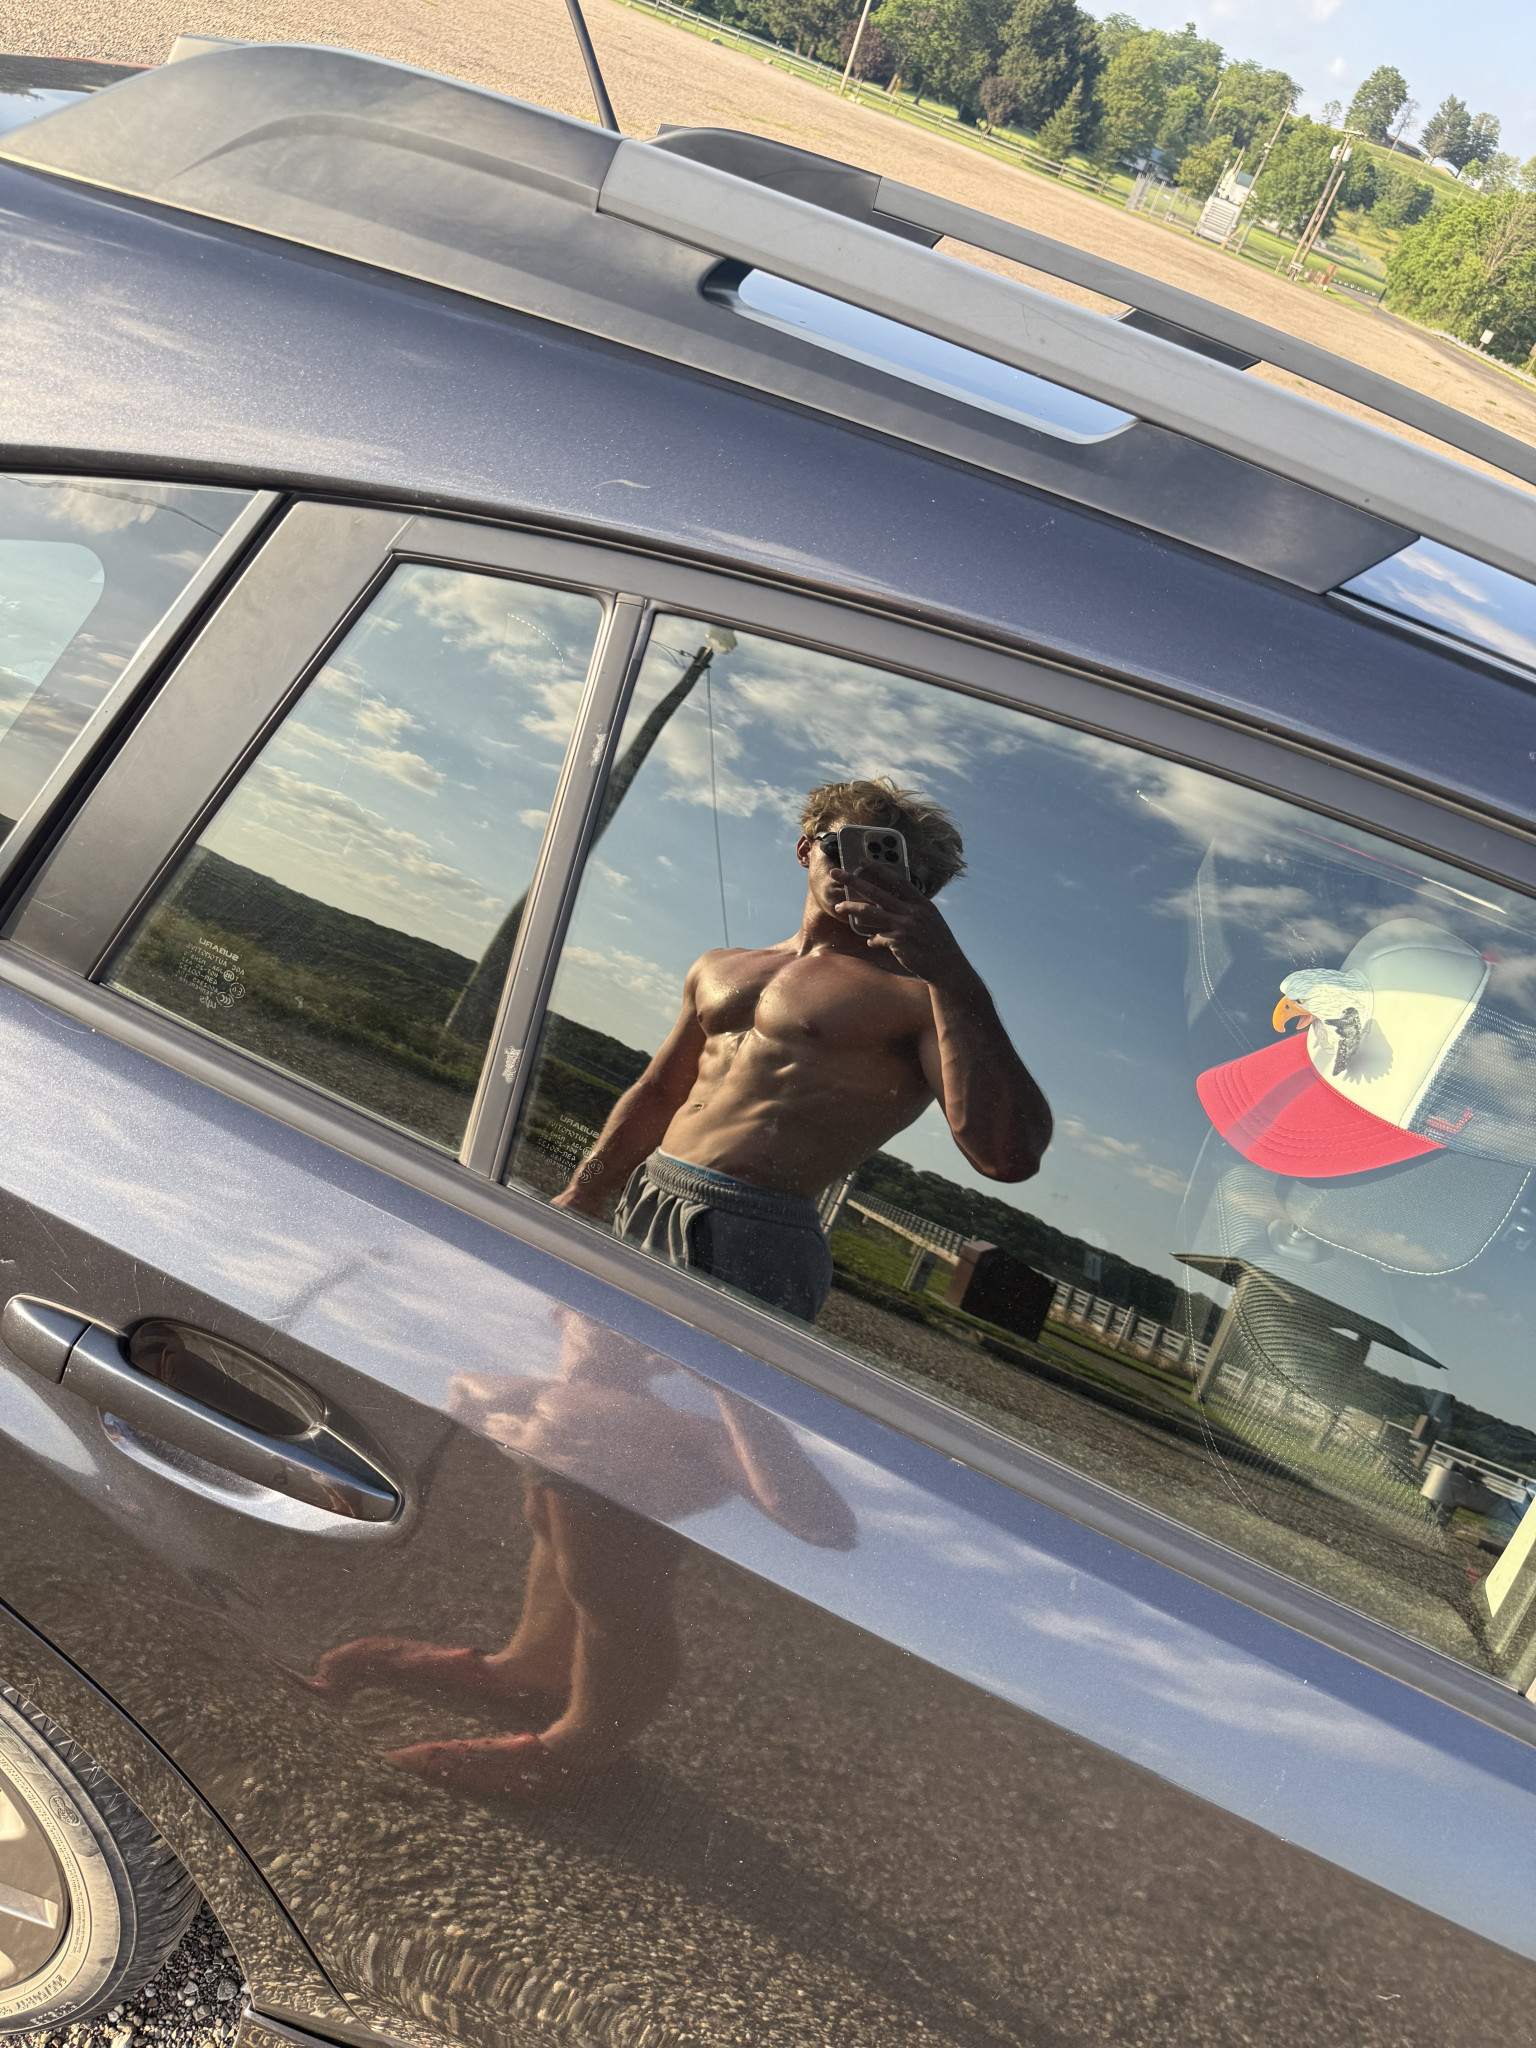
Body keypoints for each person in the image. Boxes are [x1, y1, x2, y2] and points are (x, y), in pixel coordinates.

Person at [554, 779, 1052, 1316]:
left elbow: (1006, 1156)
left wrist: (953, 976)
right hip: (650, 1189)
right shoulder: (719, 966)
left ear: (922, 896)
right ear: (804, 848)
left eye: (899, 871)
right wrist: (585, 1189)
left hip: (756, 1230)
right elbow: (659, 1092)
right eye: (847, 849)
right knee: (587, 1355)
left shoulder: (924, 1001)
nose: (864, 874)